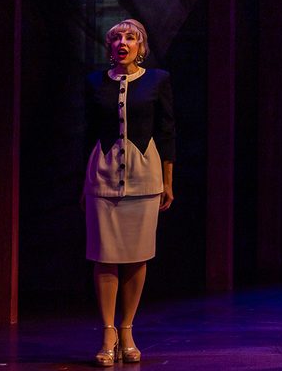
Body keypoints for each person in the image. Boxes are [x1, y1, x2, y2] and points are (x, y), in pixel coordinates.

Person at [82, 19, 175, 366]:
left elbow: (167, 131)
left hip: (143, 176)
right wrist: (83, 182)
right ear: (110, 47)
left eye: (131, 37)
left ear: (141, 46)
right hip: (102, 176)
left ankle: (127, 331)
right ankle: (107, 333)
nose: (123, 42)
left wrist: (168, 181)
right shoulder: (94, 82)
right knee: (104, 255)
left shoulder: (157, 80)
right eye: (117, 38)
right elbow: (88, 132)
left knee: (137, 256)